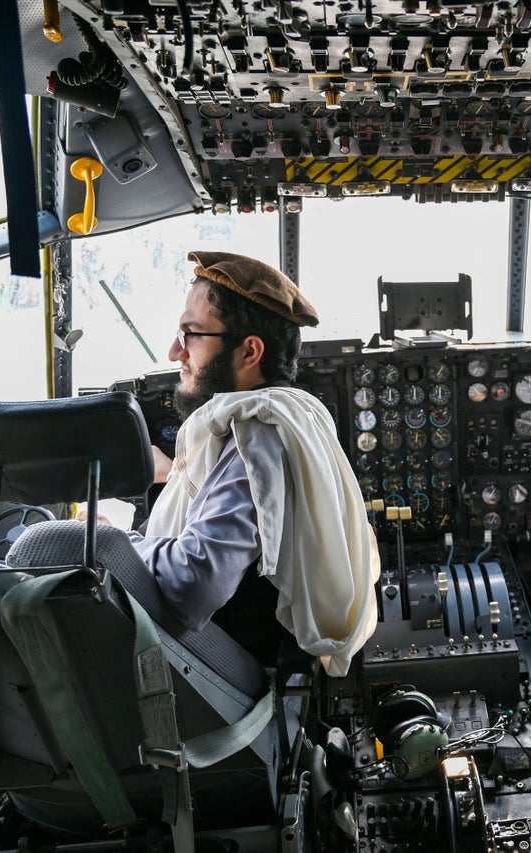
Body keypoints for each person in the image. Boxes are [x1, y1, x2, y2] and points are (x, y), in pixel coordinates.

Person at [125, 251, 378, 677]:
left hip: (217, 678)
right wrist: (172, 473)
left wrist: (115, 544)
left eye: (190, 334)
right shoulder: (292, 416)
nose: (174, 352)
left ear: (249, 351)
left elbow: (194, 582)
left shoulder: (255, 435)